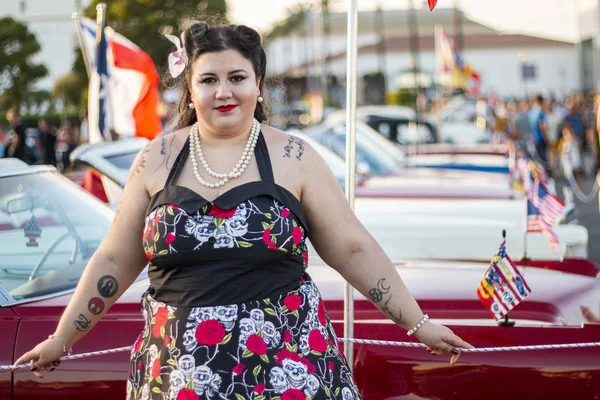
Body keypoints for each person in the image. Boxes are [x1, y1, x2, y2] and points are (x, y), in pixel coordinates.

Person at [15, 22, 472, 399]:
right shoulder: (154, 159)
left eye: (236, 77)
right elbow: (114, 259)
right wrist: (62, 338)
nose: (223, 92)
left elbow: (352, 248)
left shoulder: (296, 157)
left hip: (290, 366)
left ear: (257, 83)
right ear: (190, 90)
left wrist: (419, 323)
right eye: (208, 80)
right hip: (178, 371)